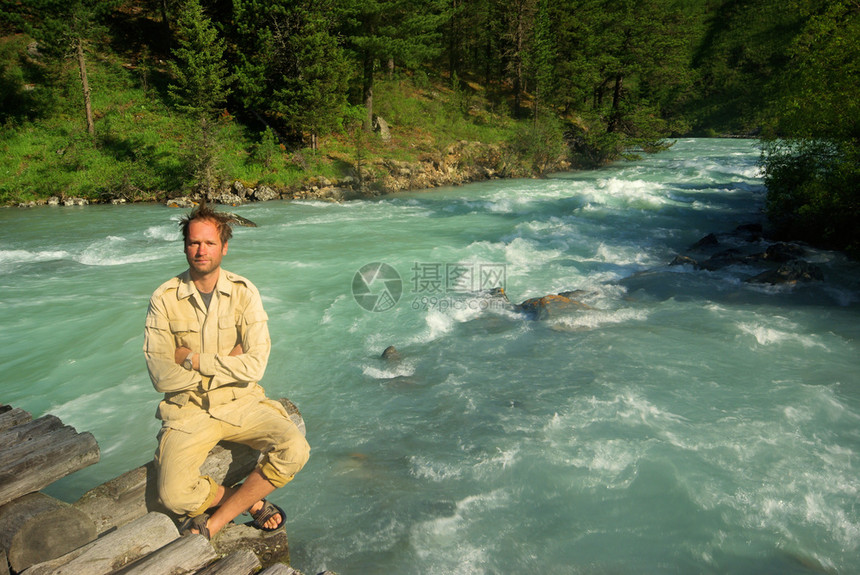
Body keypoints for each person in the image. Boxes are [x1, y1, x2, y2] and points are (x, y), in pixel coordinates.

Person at [143, 204, 310, 538]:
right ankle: (247, 502)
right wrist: (229, 361)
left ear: (224, 247)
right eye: (193, 243)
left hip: (240, 400)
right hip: (188, 408)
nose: (201, 250)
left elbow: (255, 366)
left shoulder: (244, 293)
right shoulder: (164, 298)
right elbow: (160, 375)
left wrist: (192, 358)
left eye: (209, 243)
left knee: (296, 448)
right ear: (185, 246)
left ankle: (215, 522)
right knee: (172, 494)